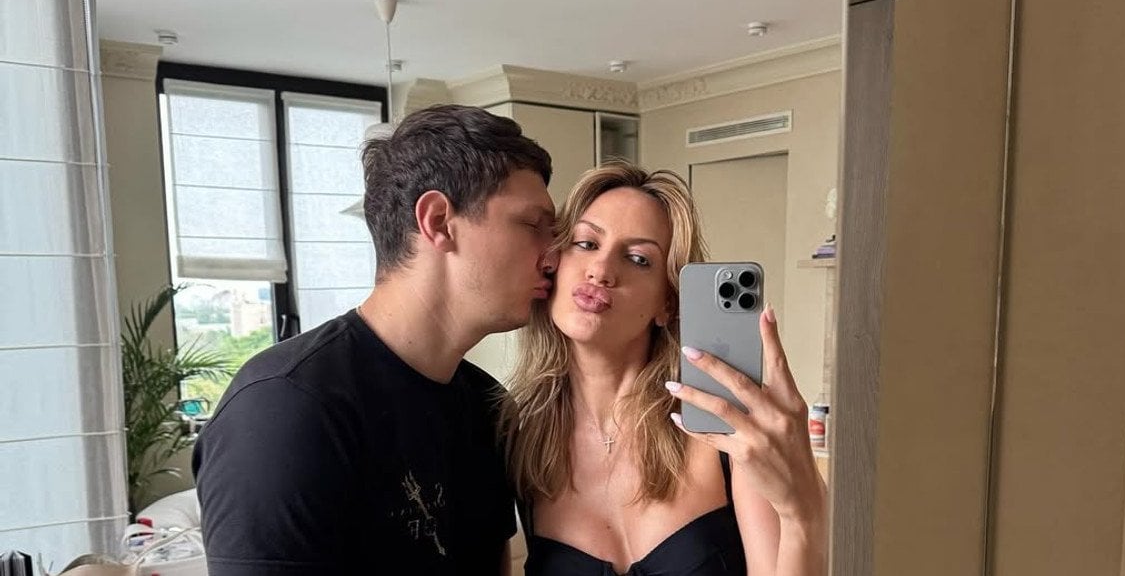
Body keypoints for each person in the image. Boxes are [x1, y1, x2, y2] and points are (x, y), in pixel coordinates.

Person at [192, 105, 559, 575]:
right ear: (438, 221)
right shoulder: (283, 407)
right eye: (532, 224)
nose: (553, 255)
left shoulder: (488, 406)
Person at [503, 163, 828, 576]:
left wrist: (803, 514)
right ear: (554, 262)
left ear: (668, 303)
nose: (601, 270)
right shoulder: (518, 440)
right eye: (586, 243)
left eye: (639, 259)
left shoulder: (724, 428)